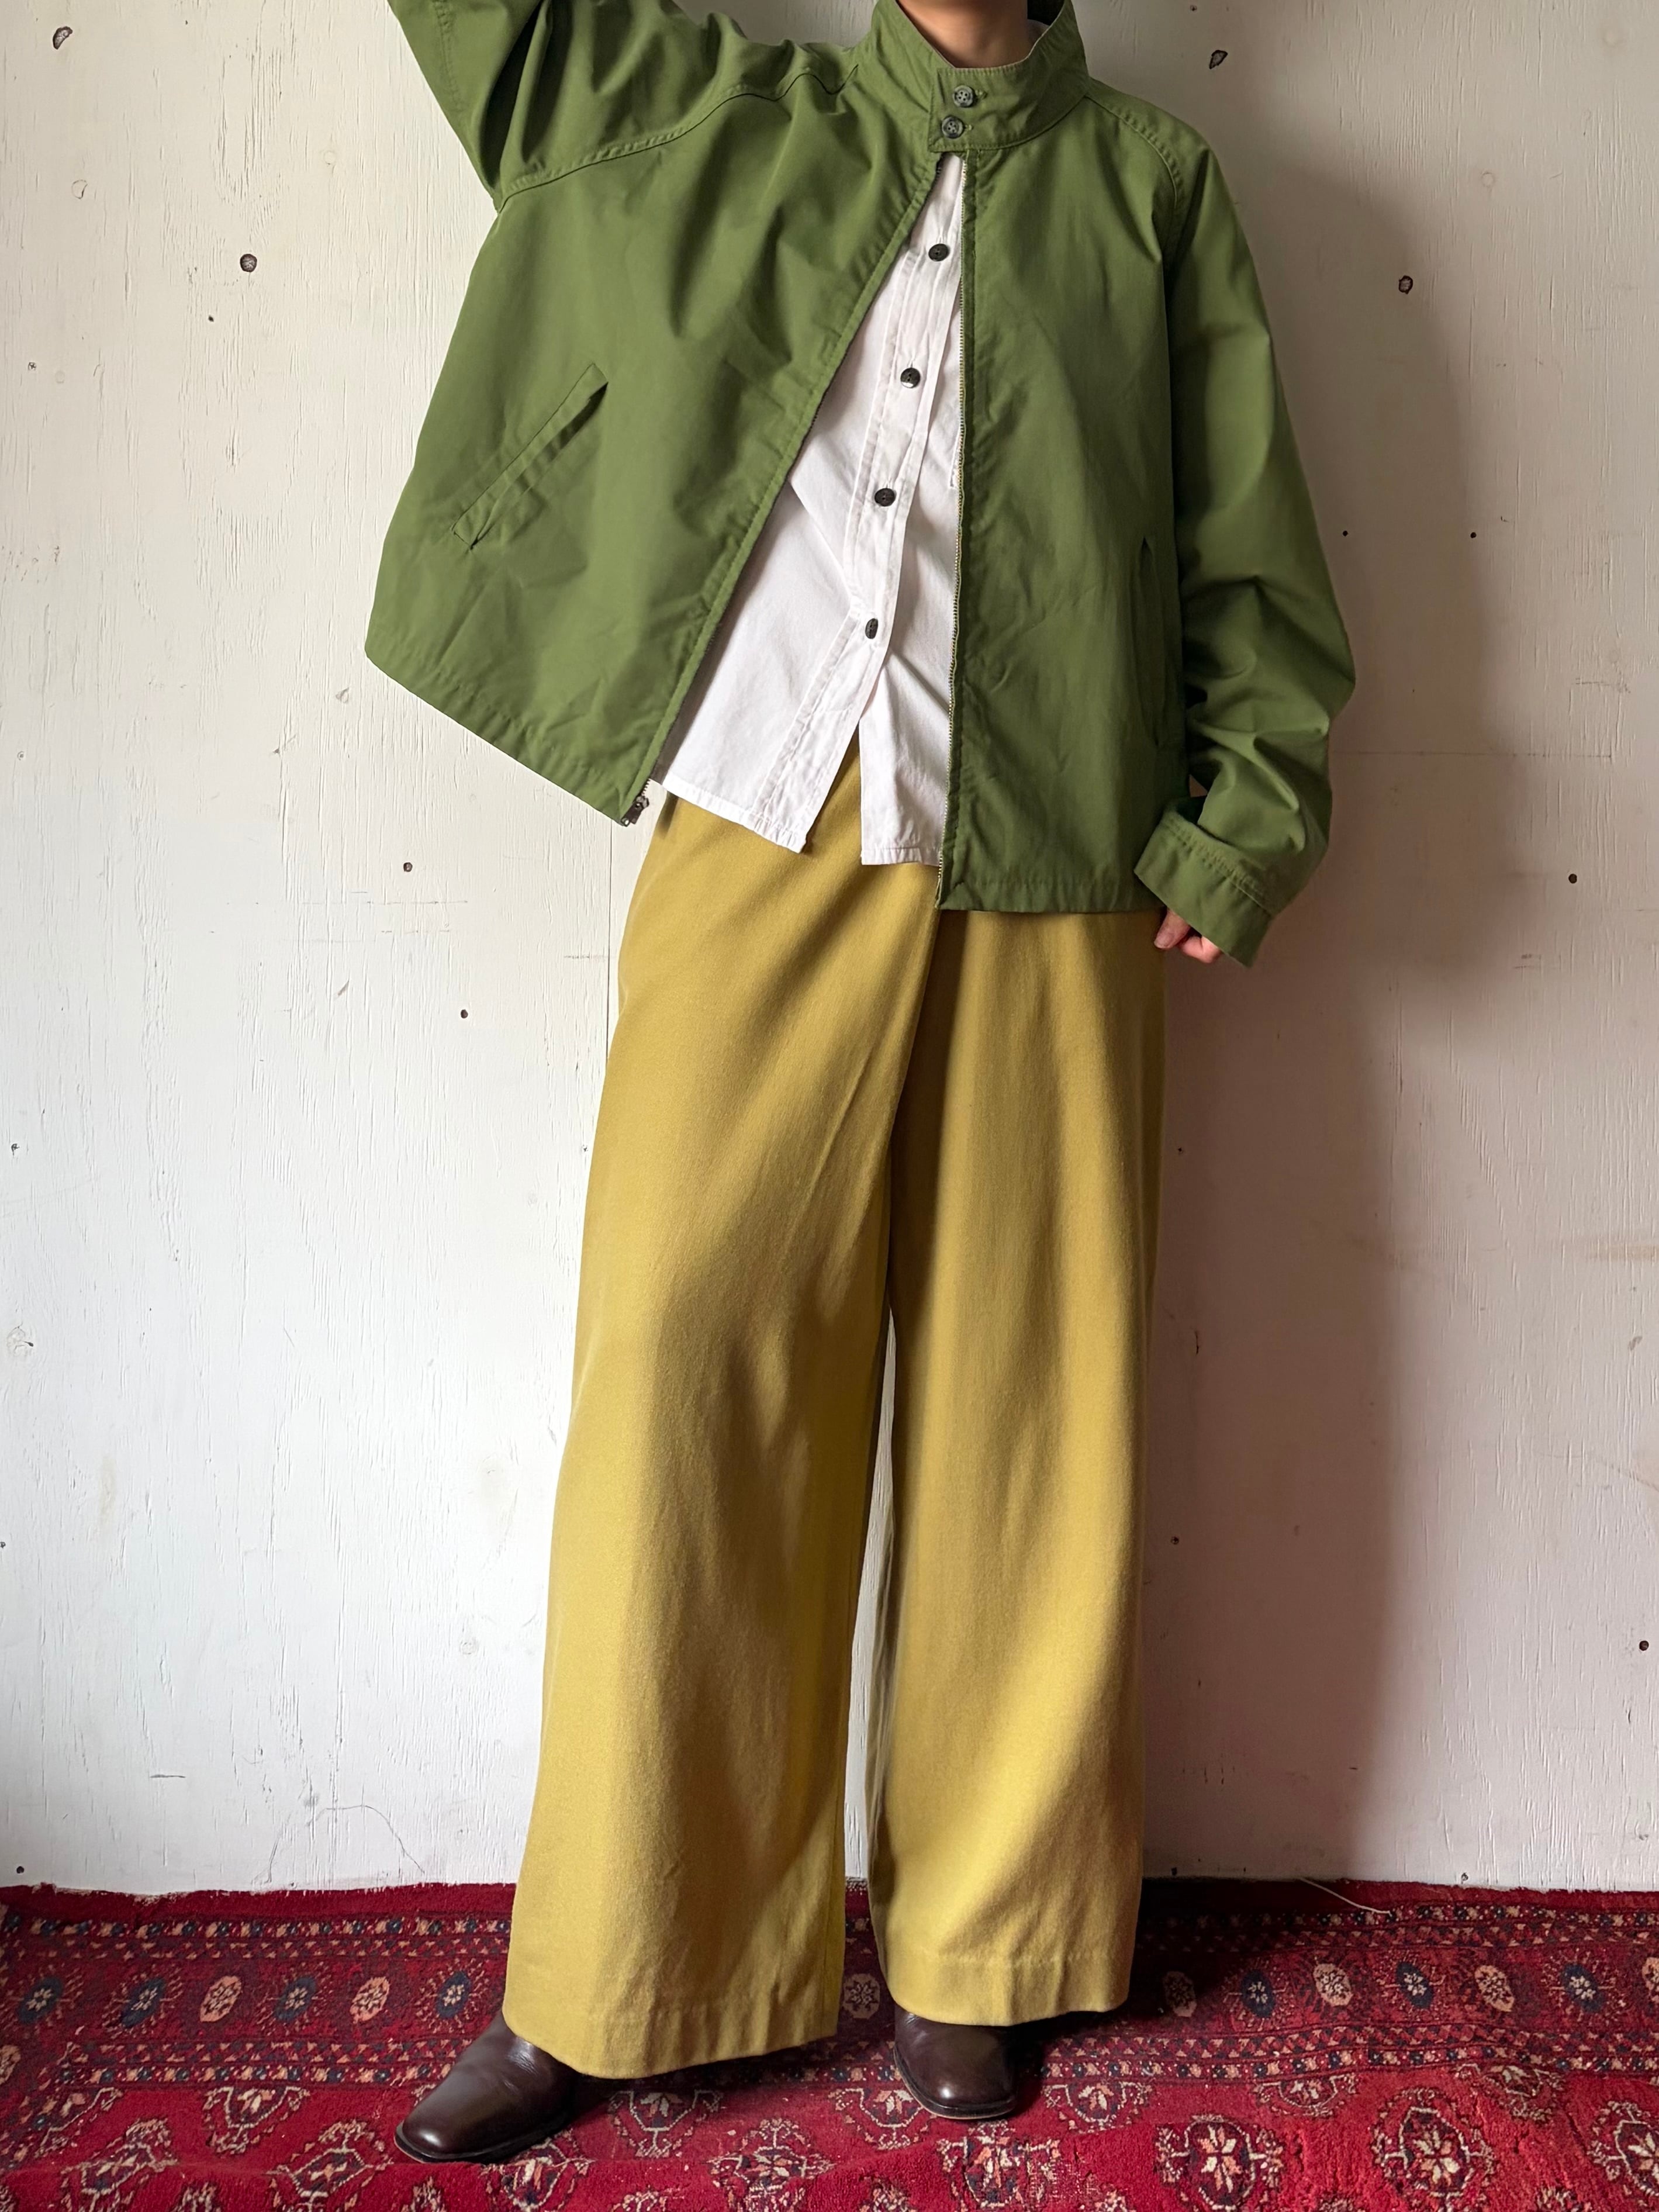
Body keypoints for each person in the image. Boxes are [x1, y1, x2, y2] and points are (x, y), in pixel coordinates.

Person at [368, 0, 1353, 2160]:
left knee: (1031, 1400)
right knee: (679, 1358)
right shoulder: (695, 107)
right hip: (759, 827)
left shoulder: (1156, 195)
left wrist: (1239, 821)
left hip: (1061, 857)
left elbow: (1250, 549)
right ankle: (629, 1965)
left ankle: (983, 1948)